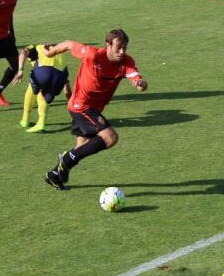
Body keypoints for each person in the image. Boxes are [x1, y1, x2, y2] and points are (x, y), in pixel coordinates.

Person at [43, 29, 147, 190]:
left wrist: (139, 83)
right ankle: (65, 160)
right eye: (118, 47)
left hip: (93, 109)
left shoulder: (126, 62)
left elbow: (138, 80)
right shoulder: (93, 55)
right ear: (108, 45)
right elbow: (70, 44)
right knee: (110, 138)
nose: (122, 52)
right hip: (81, 106)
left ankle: (54, 175)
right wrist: (50, 53)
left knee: (81, 147)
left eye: (125, 48)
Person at [18, 44, 72, 133]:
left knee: (33, 88)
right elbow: (66, 86)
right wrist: (71, 104)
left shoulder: (35, 49)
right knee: (44, 96)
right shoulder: (60, 55)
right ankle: (41, 124)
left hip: (44, 73)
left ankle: (25, 120)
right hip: (60, 78)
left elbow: (23, 53)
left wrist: (20, 70)